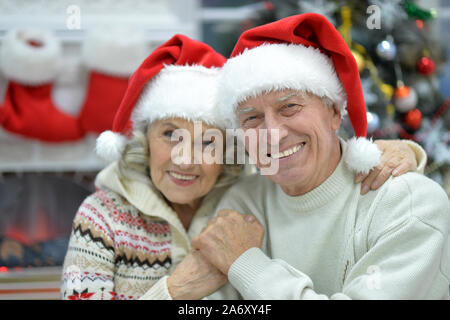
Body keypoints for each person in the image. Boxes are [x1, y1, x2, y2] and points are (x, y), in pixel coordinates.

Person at [60, 33, 426, 300]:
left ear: (229, 151)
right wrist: (174, 292)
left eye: (208, 142)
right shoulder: (102, 217)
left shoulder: (242, 194)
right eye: (170, 134)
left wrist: (402, 152)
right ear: (145, 138)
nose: (185, 157)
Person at [189, 14, 450, 299]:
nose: (273, 133)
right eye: (251, 118)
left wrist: (247, 265)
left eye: (289, 107)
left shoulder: (408, 203)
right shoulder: (241, 204)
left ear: (335, 113)